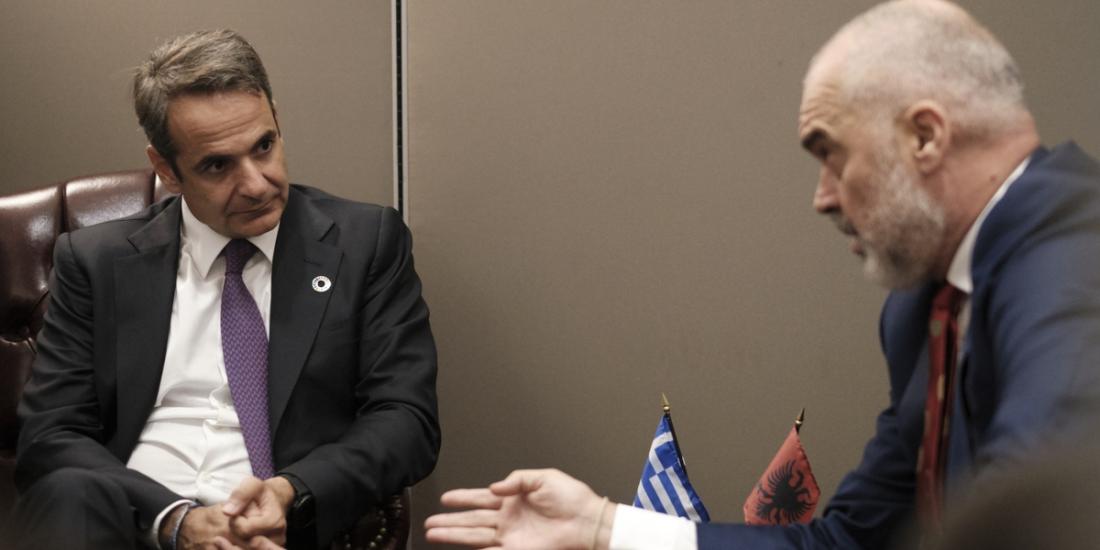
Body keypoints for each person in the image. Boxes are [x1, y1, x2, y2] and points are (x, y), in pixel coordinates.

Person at [424, 0, 1100, 548]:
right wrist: (604, 528)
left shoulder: (1073, 261)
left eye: (830, 153)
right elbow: (847, 540)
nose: (822, 197)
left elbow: (1048, 528)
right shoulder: (925, 308)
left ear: (925, 136)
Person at [13, 30, 440, 550]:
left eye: (264, 146)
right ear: (167, 170)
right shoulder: (96, 262)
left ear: (277, 121)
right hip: (127, 527)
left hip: (272, 532)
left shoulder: (363, 243)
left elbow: (407, 420)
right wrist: (175, 521)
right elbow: (51, 435)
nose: (257, 184)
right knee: (67, 494)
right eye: (218, 165)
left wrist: (291, 492)